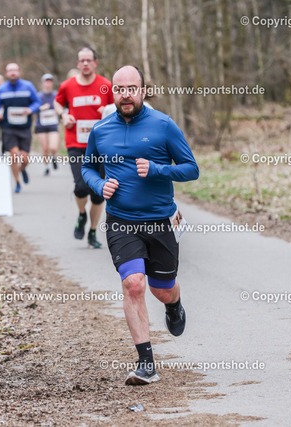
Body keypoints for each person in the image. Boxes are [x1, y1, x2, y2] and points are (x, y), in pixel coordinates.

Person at [82, 65, 199, 385]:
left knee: (162, 289)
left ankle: (174, 305)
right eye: (119, 89)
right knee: (133, 284)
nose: (125, 95)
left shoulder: (163, 125)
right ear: (113, 92)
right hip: (122, 222)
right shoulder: (101, 130)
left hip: (160, 222)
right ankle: (146, 363)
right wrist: (99, 185)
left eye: (131, 89)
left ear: (143, 91)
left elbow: (191, 169)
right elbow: (88, 168)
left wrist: (158, 169)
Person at [54, 47, 113, 248]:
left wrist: (107, 111)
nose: (85, 63)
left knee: (98, 192)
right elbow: (57, 103)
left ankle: (93, 232)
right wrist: (63, 115)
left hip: (100, 147)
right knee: (81, 186)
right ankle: (81, 215)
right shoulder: (67, 86)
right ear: (78, 64)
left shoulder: (105, 85)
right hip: (76, 144)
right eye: (82, 60)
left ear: (95, 63)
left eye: (89, 60)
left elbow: (117, 110)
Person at [0, 63, 41, 193]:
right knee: (14, 155)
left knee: (25, 158)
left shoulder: (28, 86)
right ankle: (17, 182)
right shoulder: (2, 89)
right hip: (8, 127)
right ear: (6, 73)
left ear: (19, 72)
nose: (13, 73)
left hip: (25, 127)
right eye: (10, 71)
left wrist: (30, 109)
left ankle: (23, 169)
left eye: (15, 70)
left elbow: (37, 102)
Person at [35, 73, 59, 175]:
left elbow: (62, 106)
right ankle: (47, 167)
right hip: (41, 126)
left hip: (53, 125)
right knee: (45, 148)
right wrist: (41, 108)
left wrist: (58, 110)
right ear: (42, 83)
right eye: (46, 82)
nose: (48, 84)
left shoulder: (56, 95)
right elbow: (32, 108)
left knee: (53, 147)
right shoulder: (38, 96)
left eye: (50, 81)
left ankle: (53, 157)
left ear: (52, 83)